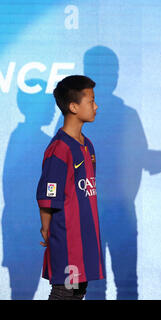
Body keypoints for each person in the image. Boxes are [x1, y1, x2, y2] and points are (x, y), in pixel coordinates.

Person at [36, 75, 105, 300]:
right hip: (67, 240)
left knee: (78, 291)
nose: (96, 106)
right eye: (91, 101)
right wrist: (46, 229)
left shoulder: (89, 146)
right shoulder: (59, 149)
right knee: (64, 292)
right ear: (73, 107)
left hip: (86, 238)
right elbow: (48, 196)